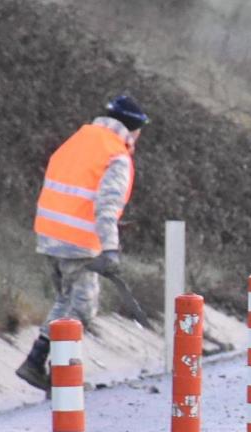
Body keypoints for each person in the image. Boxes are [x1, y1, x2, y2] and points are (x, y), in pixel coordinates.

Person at [17, 95, 149, 391]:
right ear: (133, 128)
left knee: (65, 300)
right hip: (78, 242)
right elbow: (106, 205)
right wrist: (111, 248)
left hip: (50, 234)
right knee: (83, 308)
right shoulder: (116, 154)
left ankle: (36, 363)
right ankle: (61, 379)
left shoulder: (79, 139)